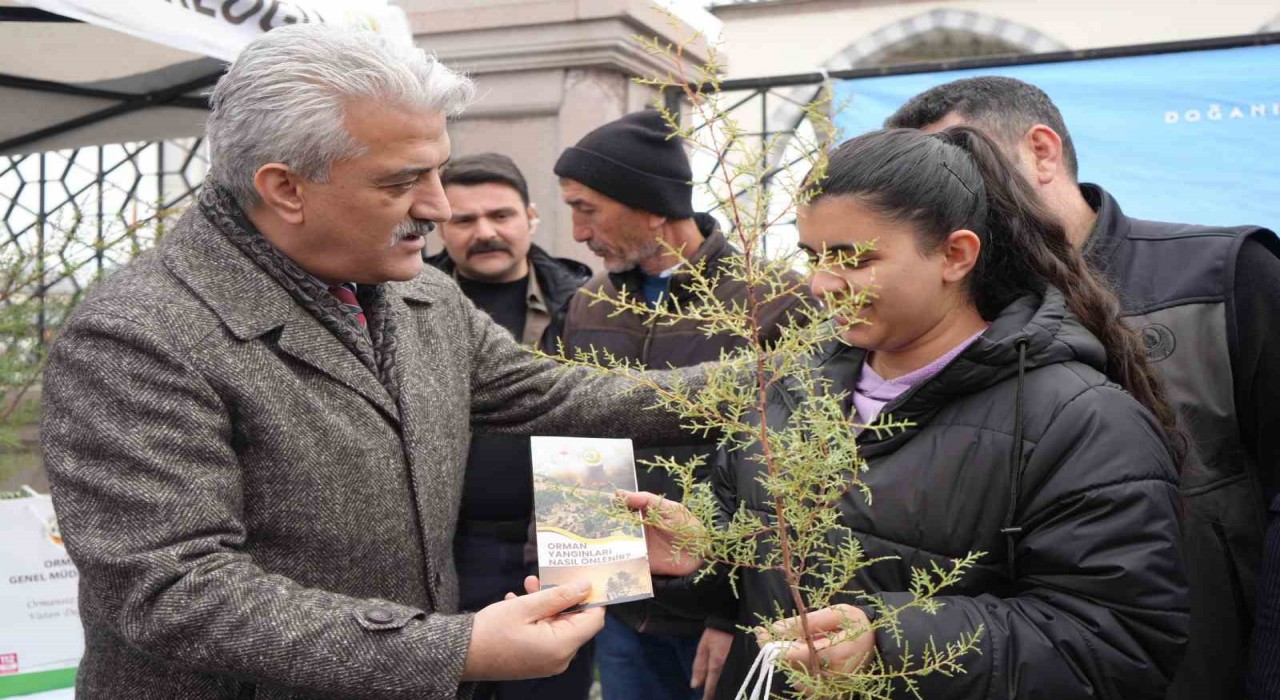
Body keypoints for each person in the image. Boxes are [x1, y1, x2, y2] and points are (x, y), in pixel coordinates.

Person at [39, 25, 700, 700]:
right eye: (404, 181)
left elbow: (559, 394)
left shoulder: (420, 294)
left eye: (439, 168)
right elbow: (174, 590)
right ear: (286, 189)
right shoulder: (137, 334)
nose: (439, 207)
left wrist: (780, 381)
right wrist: (454, 648)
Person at [631, 127, 1191, 698]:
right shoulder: (790, 385)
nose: (822, 284)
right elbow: (753, 569)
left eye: (855, 258)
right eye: (813, 257)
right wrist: (698, 555)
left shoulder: (1080, 420)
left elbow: (1117, 640)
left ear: (955, 255)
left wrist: (889, 643)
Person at [883, 76, 1280, 700]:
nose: (940, 198)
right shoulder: (955, 320)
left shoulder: (1227, 275)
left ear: (1042, 152)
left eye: (955, 165)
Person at [554, 109, 812, 700]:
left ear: (651, 206)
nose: (577, 233)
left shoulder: (773, 301)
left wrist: (732, 613)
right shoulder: (589, 304)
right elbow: (576, 441)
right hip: (619, 607)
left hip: (723, 614)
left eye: (586, 208)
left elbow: (788, 477)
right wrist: (572, 579)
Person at [427, 152, 594, 700]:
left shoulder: (588, 305)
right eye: (464, 220)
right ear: (438, 226)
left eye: (500, 216)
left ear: (530, 218)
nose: (485, 232)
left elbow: (604, 424)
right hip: (441, 551)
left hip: (558, 547)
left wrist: (597, 561)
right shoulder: (399, 304)